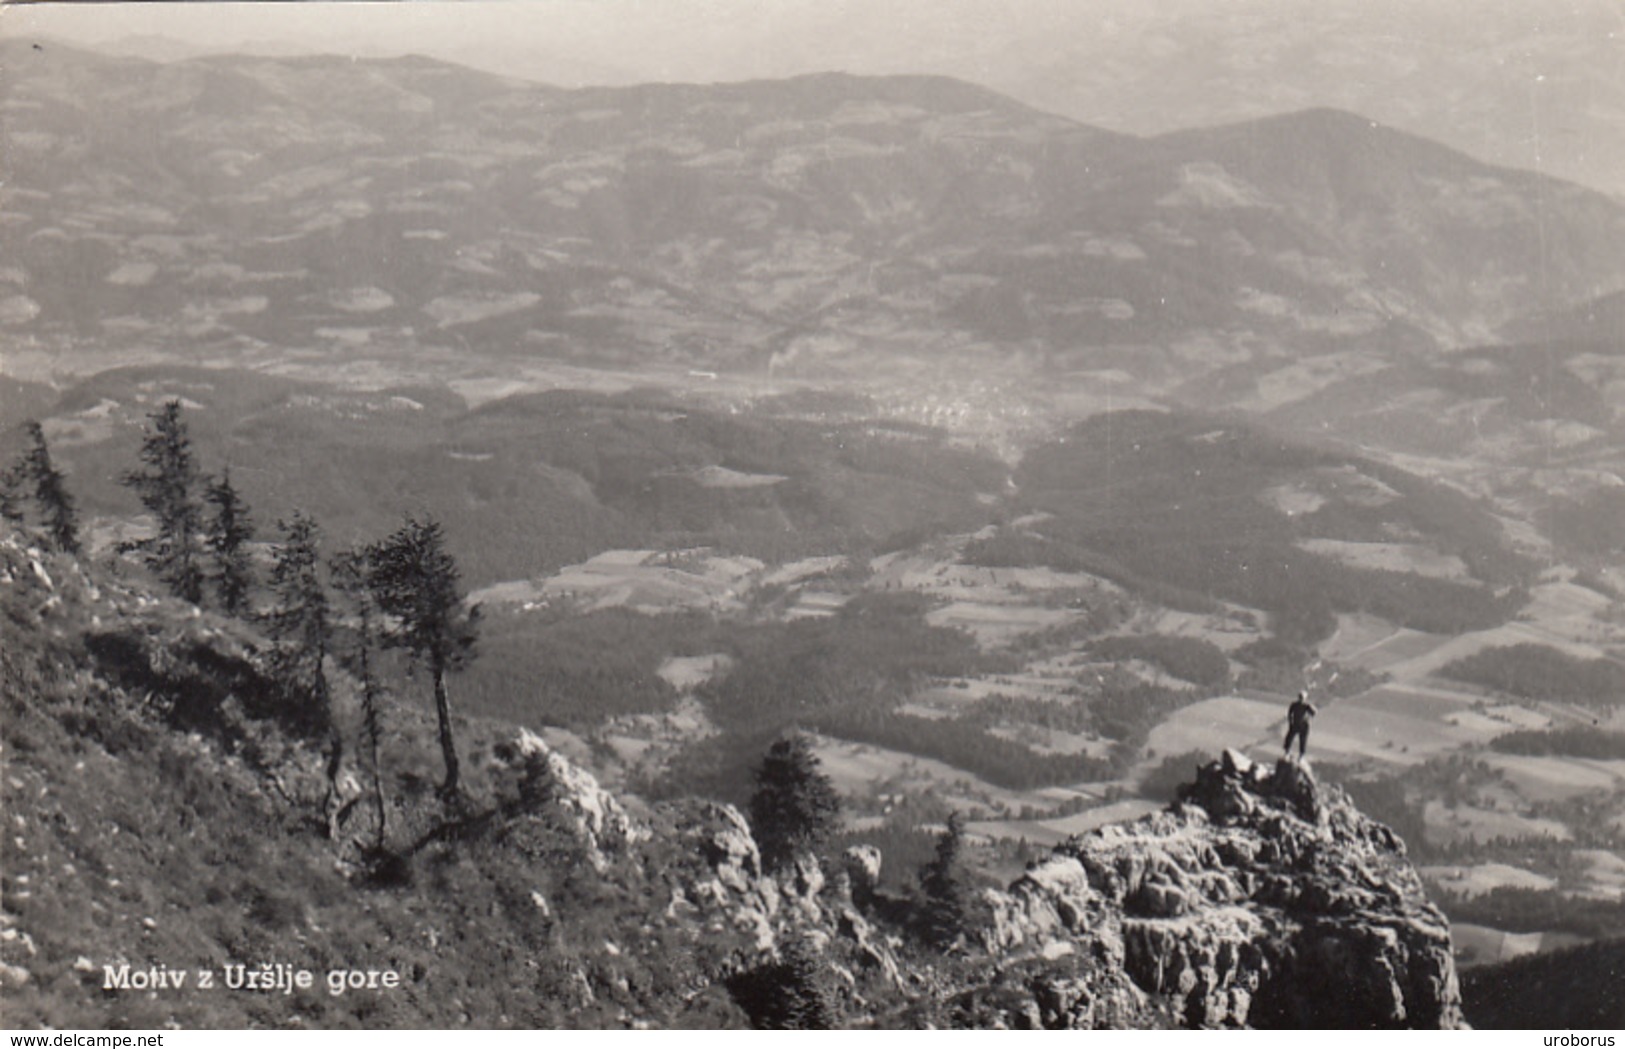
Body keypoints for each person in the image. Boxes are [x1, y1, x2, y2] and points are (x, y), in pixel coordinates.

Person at [1283, 690, 1317, 760]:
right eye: (1300, 697)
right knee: (1289, 738)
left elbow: (1314, 712)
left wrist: (1307, 719)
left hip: (1303, 726)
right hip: (1296, 724)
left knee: (1302, 740)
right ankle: (1287, 752)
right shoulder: (1294, 705)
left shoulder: (1306, 706)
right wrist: (1290, 722)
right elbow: (1289, 714)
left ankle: (1301, 755)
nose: (1301, 699)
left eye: (1302, 697)